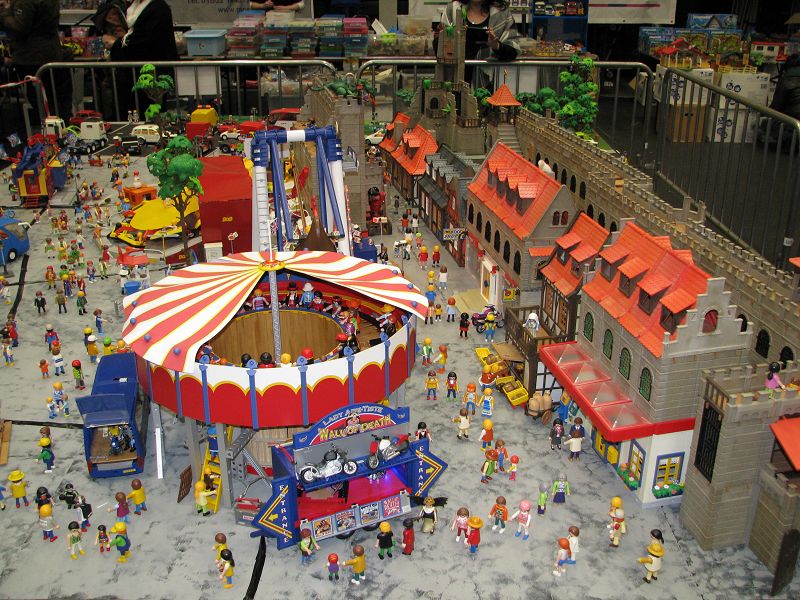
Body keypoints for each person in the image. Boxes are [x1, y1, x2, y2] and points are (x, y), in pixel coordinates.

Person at [0, 0, 73, 120]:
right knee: (57, 103)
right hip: (51, 54)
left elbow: (20, 27)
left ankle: (51, 127)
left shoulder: (25, 2)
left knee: (42, 104)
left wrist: (4, 13)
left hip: (31, 57)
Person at [437, 0, 520, 85]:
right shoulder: (453, 10)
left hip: (490, 83)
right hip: (453, 80)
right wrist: (449, 38)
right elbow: (438, 46)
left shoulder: (502, 14)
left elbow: (513, 51)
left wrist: (496, 45)